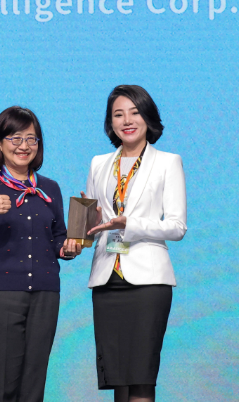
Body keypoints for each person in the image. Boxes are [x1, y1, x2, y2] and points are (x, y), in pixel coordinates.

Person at [81, 85, 187, 402]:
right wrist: (82, 229)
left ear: (147, 117)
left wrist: (130, 224)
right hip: (106, 280)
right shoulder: (99, 163)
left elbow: (177, 227)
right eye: (118, 114)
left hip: (148, 284)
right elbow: (93, 225)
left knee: (141, 378)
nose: (127, 120)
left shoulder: (168, 162)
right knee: (118, 380)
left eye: (134, 112)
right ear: (110, 122)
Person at [0, 106, 78, 402]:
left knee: (33, 387)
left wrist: (68, 248)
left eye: (31, 139)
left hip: (45, 294)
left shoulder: (50, 188)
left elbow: (57, 237)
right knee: (3, 387)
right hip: (0, 294)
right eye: (15, 138)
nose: (24, 146)